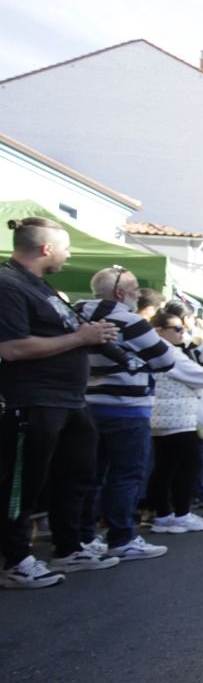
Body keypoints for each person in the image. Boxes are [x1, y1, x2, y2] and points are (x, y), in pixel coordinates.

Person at [0, 217, 121, 588]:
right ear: (46, 248)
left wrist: (92, 336)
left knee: (76, 475)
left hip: (68, 401)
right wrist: (80, 337)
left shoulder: (42, 287)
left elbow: (64, 334)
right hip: (32, 400)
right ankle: (16, 560)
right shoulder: (8, 284)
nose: (69, 257)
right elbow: (13, 348)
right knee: (23, 485)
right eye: (66, 248)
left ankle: (70, 547)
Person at [73, 266, 177, 561]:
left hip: (88, 405)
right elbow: (165, 359)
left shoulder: (75, 316)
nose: (137, 298)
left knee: (91, 475)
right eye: (134, 292)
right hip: (127, 408)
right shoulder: (129, 320)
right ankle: (122, 537)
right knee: (126, 475)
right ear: (120, 294)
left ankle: (84, 536)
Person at [148, 311, 203, 534]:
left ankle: (164, 515)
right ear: (160, 331)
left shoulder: (151, 349)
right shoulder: (167, 351)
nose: (182, 332)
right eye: (177, 329)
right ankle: (181, 514)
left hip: (162, 416)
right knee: (189, 464)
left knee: (164, 468)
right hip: (176, 417)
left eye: (183, 328)